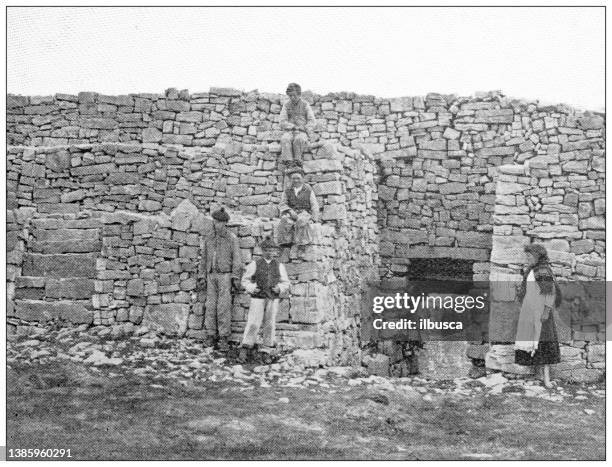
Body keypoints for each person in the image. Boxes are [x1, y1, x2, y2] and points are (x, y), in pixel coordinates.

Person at [514, 243, 561, 388]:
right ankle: (537, 375)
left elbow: (550, 292)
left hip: (541, 314)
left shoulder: (543, 271)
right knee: (534, 344)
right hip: (529, 312)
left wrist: (546, 311)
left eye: (529, 256)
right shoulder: (531, 270)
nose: (527, 258)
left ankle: (546, 380)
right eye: (526, 255)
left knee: (544, 344)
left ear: (537, 256)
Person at [238, 237, 291, 364]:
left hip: (272, 298)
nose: (269, 252)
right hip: (258, 297)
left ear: (275, 251)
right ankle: (245, 348)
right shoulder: (255, 264)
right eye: (266, 250)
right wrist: (251, 288)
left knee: (270, 324)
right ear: (262, 250)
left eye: (272, 250)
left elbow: (286, 283)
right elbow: (245, 281)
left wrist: (279, 288)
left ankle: (266, 351)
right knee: (253, 323)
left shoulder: (279, 266)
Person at [198, 207, 243, 351]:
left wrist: (235, 277)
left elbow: (237, 259)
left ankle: (224, 337)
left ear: (225, 223)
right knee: (210, 306)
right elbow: (204, 259)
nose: (216, 224)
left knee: (223, 307)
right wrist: (201, 276)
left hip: (225, 276)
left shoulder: (231, 239)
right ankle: (210, 335)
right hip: (211, 276)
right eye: (215, 222)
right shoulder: (209, 238)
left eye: (219, 222)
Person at [277, 168, 320, 248]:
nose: (296, 181)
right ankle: (286, 242)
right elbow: (282, 203)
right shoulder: (287, 191)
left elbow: (314, 205)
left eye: (298, 178)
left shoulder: (308, 190)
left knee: (301, 221)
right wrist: (289, 210)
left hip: (305, 213)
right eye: (293, 178)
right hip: (291, 213)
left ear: (302, 179)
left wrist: (313, 219)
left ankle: (301, 243)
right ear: (290, 179)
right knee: (285, 221)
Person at [279, 82, 315, 165]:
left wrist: (305, 128)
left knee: (299, 139)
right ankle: (289, 163)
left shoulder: (305, 105)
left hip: (302, 131)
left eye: (294, 95)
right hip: (289, 131)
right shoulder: (286, 105)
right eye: (290, 95)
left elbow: (312, 121)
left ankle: (297, 161)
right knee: (285, 139)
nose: (292, 97)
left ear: (299, 94)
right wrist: (292, 126)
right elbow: (282, 121)